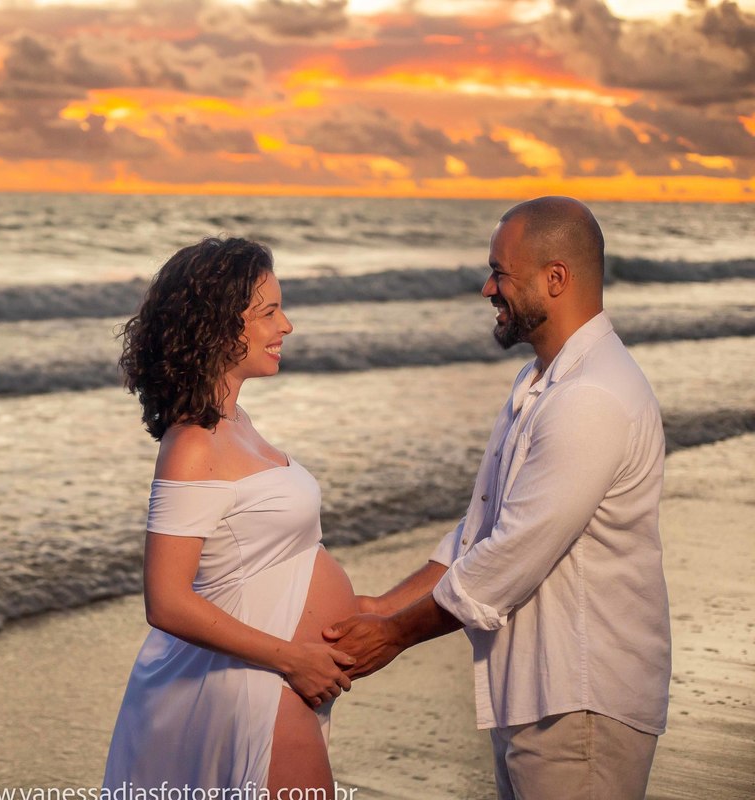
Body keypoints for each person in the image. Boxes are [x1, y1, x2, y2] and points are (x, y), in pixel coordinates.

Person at [324, 196, 671, 799]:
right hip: (540, 694)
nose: (487, 288)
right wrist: (381, 606)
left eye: (500, 272)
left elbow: (509, 557)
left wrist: (394, 635)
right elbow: (478, 530)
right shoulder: (539, 383)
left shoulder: (590, 397)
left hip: (580, 702)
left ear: (554, 278)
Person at [103, 237, 359, 795]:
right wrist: (294, 659)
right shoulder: (193, 444)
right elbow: (166, 601)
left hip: (277, 678)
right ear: (218, 327)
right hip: (249, 688)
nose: (285, 325)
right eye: (267, 312)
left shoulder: (235, 421)